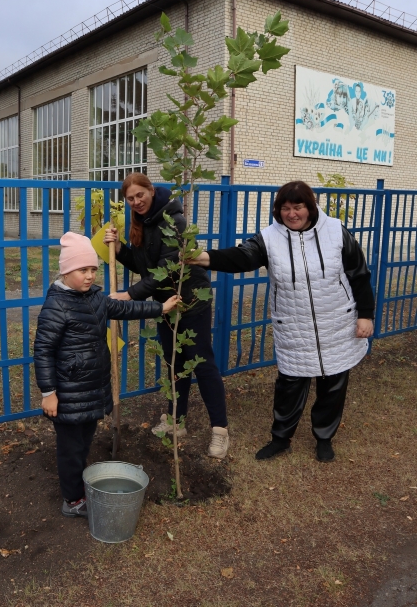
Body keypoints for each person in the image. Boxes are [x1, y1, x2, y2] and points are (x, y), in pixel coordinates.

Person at [190, 180, 374, 463]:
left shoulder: (336, 231)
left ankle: (324, 437)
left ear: (309, 207)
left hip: (336, 322)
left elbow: (359, 274)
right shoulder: (270, 238)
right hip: (294, 324)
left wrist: (365, 315)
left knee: (334, 383)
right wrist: (204, 258)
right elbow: (242, 257)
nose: (292, 214)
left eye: (297, 206)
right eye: (285, 208)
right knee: (290, 384)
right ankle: (281, 438)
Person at [33, 231, 179, 518]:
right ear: (65, 271)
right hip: (68, 394)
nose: (89, 276)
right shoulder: (56, 306)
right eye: (82, 270)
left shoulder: (96, 298)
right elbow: (43, 351)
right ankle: (73, 501)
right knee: (71, 450)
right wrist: (49, 393)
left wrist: (159, 307)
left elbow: (125, 308)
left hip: (91, 390)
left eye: (92, 269)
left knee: (83, 442)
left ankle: (79, 489)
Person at [103, 172, 229, 460]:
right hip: (166, 303)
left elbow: (168, 271)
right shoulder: (143, 221)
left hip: (190, 301)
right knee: (174, 362)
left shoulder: (174, 221)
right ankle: (176, 421)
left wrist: (129, 295)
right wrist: (120, 248)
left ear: (151, 191)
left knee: (202, 363)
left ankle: (220, 430)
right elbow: (146, 266)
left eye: (140, 195)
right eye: (130, 199)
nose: (136, 202)